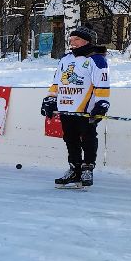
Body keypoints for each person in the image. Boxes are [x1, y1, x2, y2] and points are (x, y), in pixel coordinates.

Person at [41, 24, 110, 189]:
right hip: (66, 108)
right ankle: (75, 169)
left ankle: (87, 168)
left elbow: (102, 84)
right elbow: (56, 83)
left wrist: (102, 103)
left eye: (76, 39)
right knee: (70, 139)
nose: (72, 42)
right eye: (71, 39)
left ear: (86, 41)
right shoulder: (65, 59)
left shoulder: (96, 59)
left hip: (85, 110)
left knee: (88, 138)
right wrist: (50, 99)